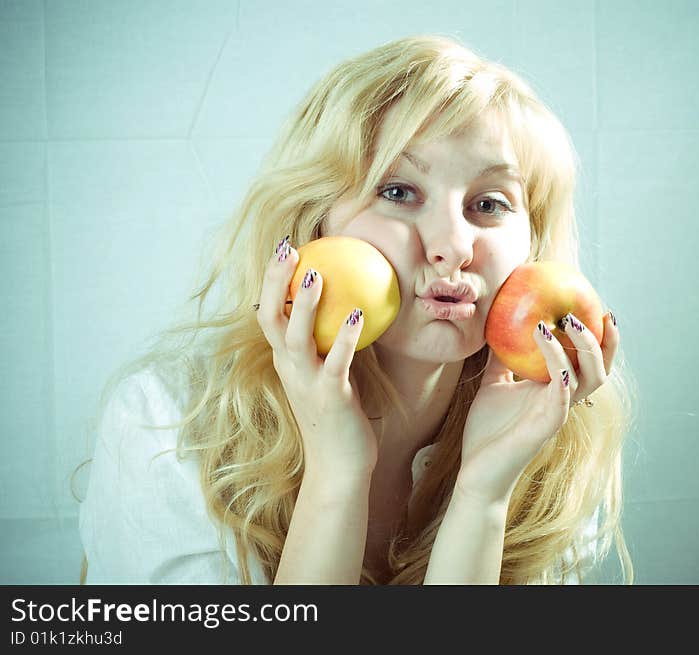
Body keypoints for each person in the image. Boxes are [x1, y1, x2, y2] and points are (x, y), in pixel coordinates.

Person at [76, 34, 635, 585]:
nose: (453, 246)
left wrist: (482, 496)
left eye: (489, 204)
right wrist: (337, 477)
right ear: (312, 219)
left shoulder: (550, 442)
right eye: (397, 191)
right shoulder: (169, 424)